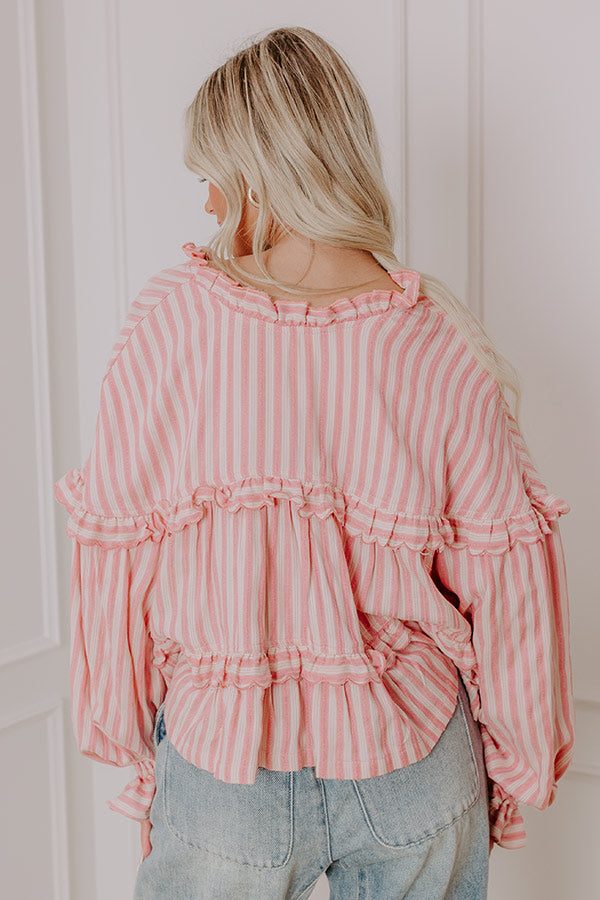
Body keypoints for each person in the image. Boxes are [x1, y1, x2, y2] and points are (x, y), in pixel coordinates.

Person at [53, 25, 574, 900]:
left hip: (228, 764)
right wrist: (520, 759)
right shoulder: (436, 339)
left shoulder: (173, 321)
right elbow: (506, 587)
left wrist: (127, 728)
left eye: (213, 176)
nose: (209, 203)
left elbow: (120, 546)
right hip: (415, 761)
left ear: (261, 174)